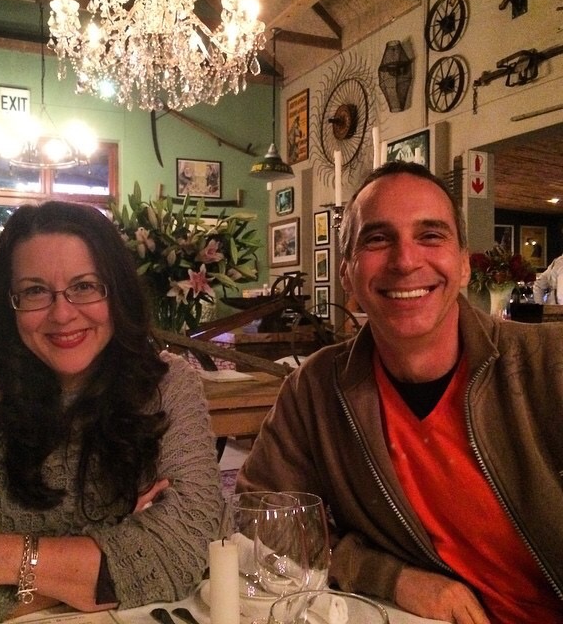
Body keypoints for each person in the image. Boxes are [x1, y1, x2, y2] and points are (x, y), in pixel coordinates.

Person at [237, 161, 563, 623]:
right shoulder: (316, 389)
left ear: (464, 264)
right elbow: (260, 519)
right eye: (377, 239)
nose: (406, 261)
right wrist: (389, 578)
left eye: (430, 235)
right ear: (347, 274)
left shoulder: (549, 366)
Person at [0, 201, 223, 623]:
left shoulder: (166, 385)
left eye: (85, 286)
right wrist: (97, 574)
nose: (62, 314)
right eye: (35, 291)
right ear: (9, 303)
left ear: (116, 292)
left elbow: (185, 551)